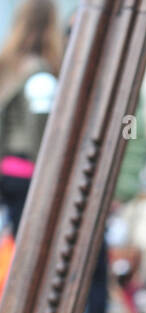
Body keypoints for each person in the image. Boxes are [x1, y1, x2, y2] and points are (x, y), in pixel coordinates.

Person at [0, 0, 62, 235]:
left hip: (10, 173)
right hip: (30, 176)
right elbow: (40, 132)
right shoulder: (40, 74)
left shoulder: (9, 66)